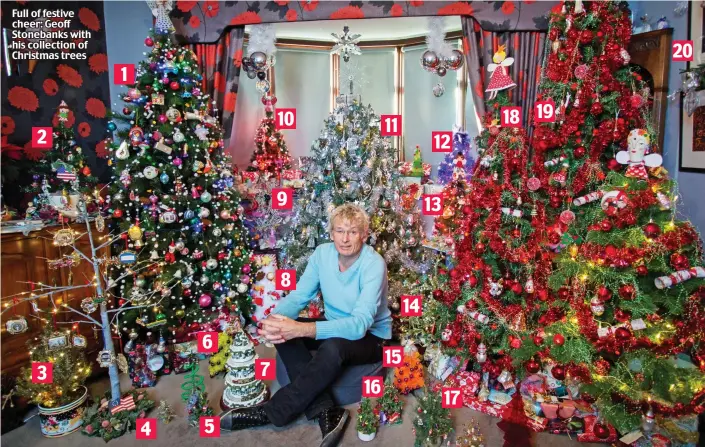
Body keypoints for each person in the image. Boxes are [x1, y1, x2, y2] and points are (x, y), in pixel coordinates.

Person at [219, 203, 391, 447]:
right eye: (340, 231)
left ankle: (272, 412)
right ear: (331, 233)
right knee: (283, 328)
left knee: (332, 347)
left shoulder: (374, 264)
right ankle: (327, 411)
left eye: (353, 232)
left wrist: (304, 329)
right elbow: (300, 297)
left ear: (364, 235)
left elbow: (359, 325)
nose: (345, 238)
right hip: (335, 324)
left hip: (371, 337)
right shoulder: (322, 254)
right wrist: (273, 320)